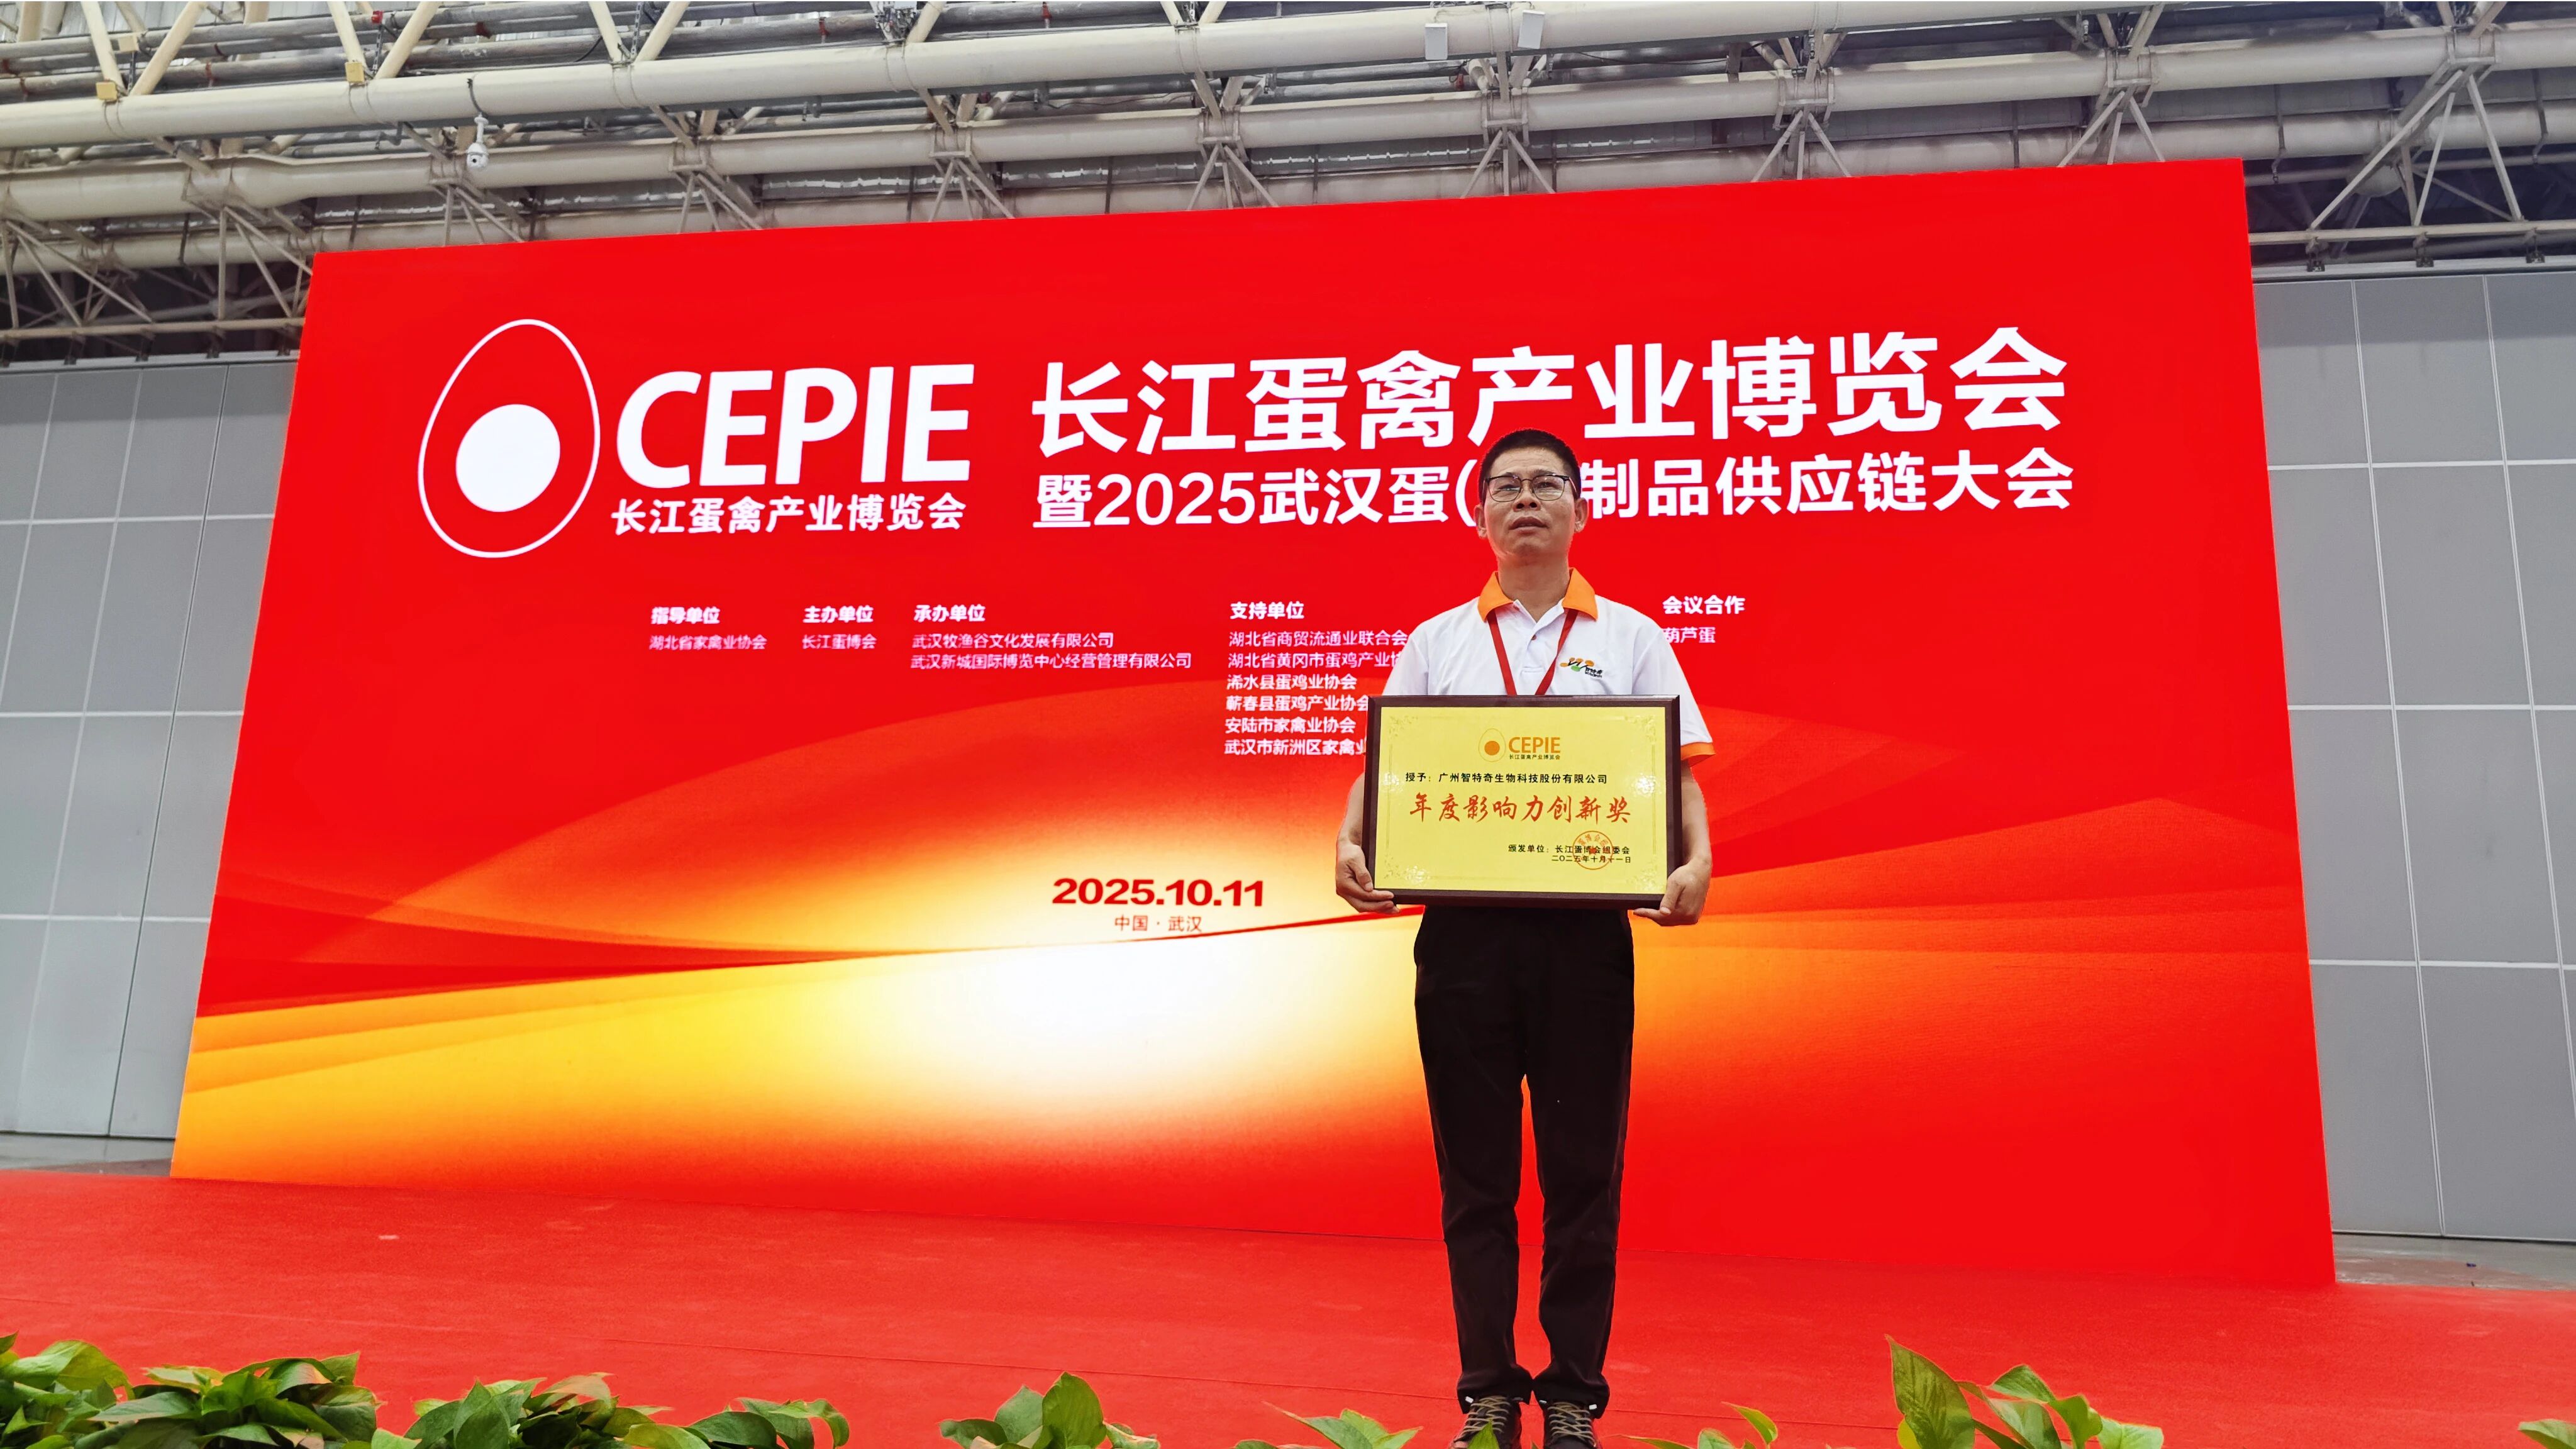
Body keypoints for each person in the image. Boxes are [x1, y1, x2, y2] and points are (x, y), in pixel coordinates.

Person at [1334, 428, 1715, 1449]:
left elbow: (1676, 769)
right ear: (1481, 518)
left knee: (1585, 1173)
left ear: (1582, 510)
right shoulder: (1438, 640)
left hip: (1585, 941)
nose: (1528, 500)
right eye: (1506, 487)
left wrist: (1697, 859)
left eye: (1549, 485)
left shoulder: (1632, 636)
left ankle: (1575, 1394)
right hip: (1464, 939)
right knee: (1478, 1177)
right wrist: (1347, 835)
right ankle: (1489, 1390)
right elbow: (1387, 762)